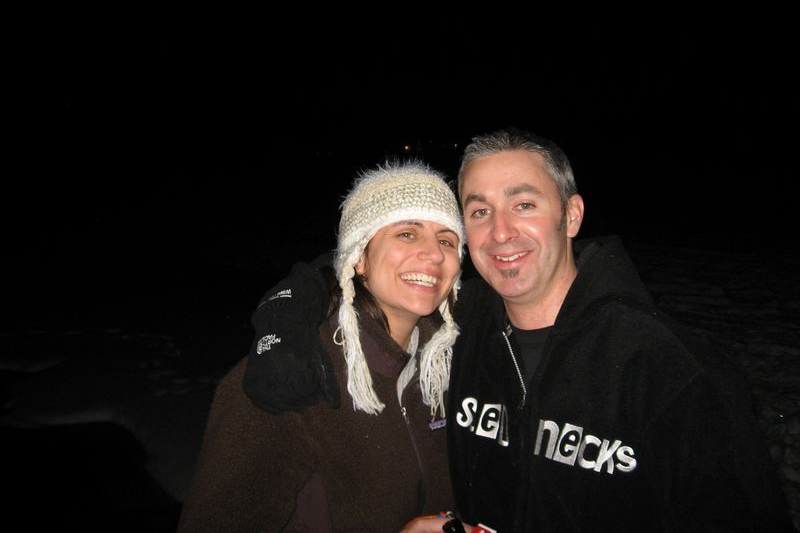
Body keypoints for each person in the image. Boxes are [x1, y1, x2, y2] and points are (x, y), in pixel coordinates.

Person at [243, 129, 794, 532]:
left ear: (571, 215)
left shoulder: (674, 373)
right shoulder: (458, 331)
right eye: (479, 212)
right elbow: (370, 263)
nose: (501, 232)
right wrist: (285, 319)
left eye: (523, 204)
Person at [177, 160, 466, 532]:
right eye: (407, 233)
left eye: (447, 240)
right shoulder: (290, 374)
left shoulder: (445, 366)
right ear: (359, 258)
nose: (434, 254)